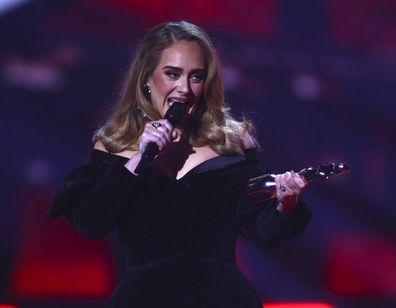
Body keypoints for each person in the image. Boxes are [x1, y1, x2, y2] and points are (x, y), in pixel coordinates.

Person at [50, 21, 311, 308]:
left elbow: (259, 231)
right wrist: (138, 157)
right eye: (172, 74)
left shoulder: (232, 140)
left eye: (196, 77)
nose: (184, 88)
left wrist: (285, 203)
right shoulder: (115, 144)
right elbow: (91, 223)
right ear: (146, 78)